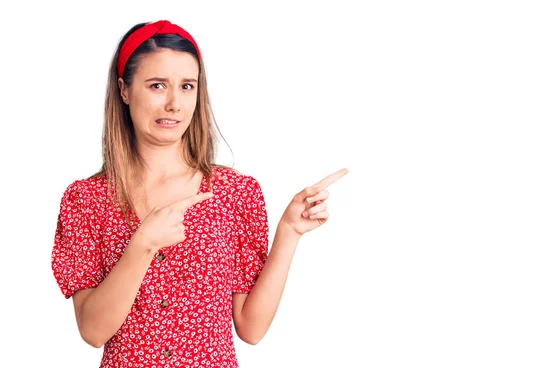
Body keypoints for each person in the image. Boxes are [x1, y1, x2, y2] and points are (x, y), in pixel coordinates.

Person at [50, 19, 348, 368]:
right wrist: (142, 245)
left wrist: (289, 232)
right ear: (125, 90)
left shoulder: (235, 193)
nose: (175, 103)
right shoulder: (86, 200)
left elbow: (251, 329)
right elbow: (92, 330)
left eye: (187, 86)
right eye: (157, 85)